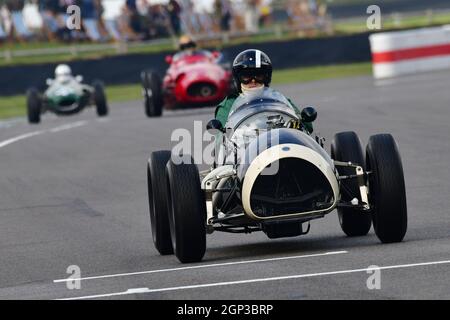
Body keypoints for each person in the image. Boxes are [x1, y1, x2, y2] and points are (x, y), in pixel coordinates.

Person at [214, 49, 314, 133]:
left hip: (279, 144)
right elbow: (220, 137)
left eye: (258, 75)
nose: (253, 80)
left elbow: (307, 127)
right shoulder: (229, 104)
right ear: (238, 78)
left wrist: (299, 122)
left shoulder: (278, 99)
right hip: (244, 150)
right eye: (246, 76)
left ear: (266, 77)